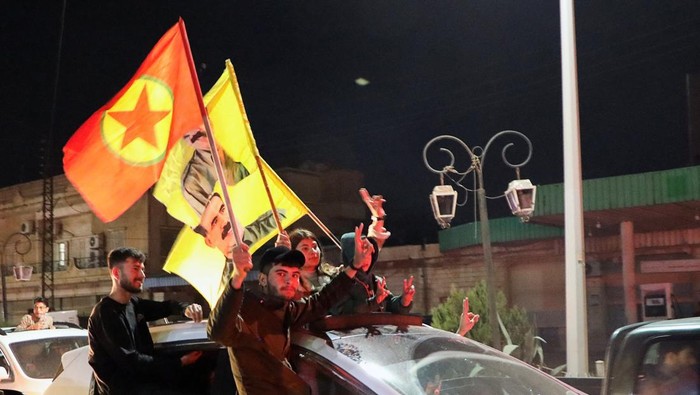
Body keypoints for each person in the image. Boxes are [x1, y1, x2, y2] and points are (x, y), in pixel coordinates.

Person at [207, 225, 374, 395]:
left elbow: (322, 300)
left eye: (294, 275)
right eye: (281, 274)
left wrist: (354, 265)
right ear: (263, 279)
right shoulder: (245, 307)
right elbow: (218, 332)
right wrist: (237, 277)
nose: (289, 280)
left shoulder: (288, 308)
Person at [87, 247, 204, 395]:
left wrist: (187, 309)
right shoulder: (105, 313)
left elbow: (167, 307)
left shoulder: (134, 305)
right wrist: (180, 362)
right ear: (116, 273)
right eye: (136, 269)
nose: (142, 275)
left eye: (142, 269)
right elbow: (131, 361)